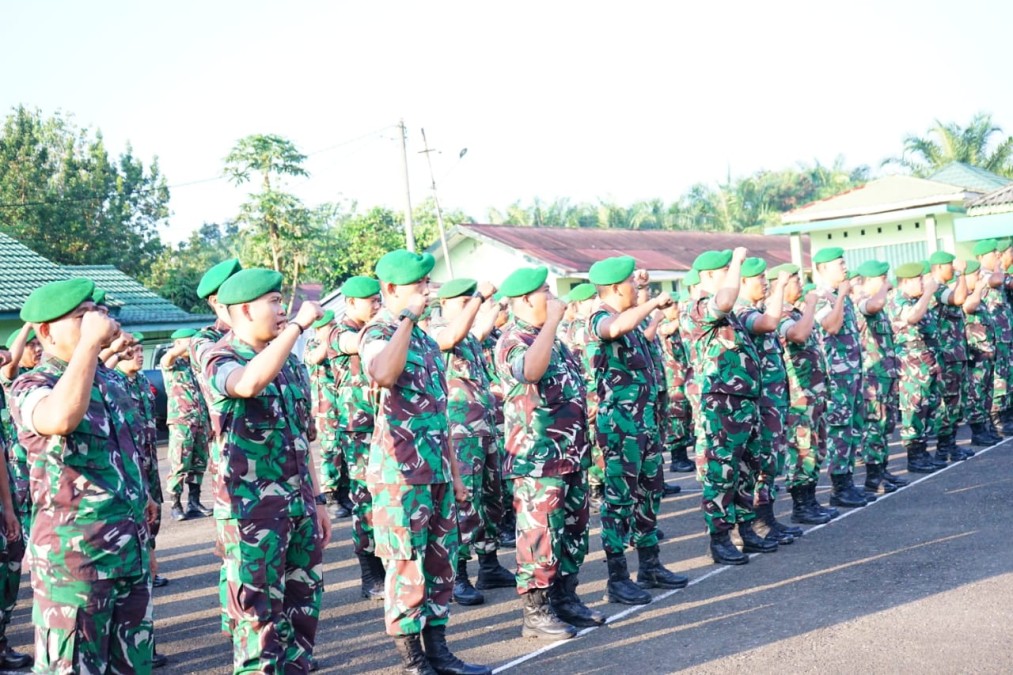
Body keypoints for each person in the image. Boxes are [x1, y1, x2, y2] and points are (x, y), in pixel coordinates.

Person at [11, 277, 157, 673]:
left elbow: (126, 454)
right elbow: (59, 418)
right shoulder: (32, 384)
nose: (95, 321)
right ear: (46, 332)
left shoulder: (111, 381)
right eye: (81, 317)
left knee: (134, 665)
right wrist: (91, 344)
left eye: (97, 313)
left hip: (128, 555)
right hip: (75, 565)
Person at [360, 250, 490, 675]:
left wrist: (455, 477)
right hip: (400, 477)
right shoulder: (378, 331)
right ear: (392, 289)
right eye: (420, 285)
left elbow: (438, 413)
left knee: (439, 566)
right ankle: (414, 663)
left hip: (435, 469)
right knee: (406, 569)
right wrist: (407, 319)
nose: (428, 292)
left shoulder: (424, 340)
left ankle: (438, 652)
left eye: (428, 284)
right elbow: (382, 373)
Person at [200, 268, 329, 673]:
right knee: (258, 622)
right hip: (251, 516)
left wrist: (319, 499)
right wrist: (296, 327)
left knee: (302, 613)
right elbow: (246, 384)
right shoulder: (217, 354)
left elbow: (301, 437)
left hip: (298, 507)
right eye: (273, 302)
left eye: (281, 302)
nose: (282, 309)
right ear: (242, 310)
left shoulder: (290, 365)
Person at [494, 267, 604, 641]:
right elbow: (529, 372)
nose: (553, 299)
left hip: (570, 453)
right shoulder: (514, 339)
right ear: (526, 299)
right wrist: (554, 322)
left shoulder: (552, 338)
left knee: (572, 532)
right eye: (545, 292)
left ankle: (565, 597)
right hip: (537, 460)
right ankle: (536, 613)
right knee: (540, 536)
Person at [586, 255, 688, 603]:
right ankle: (617, 578)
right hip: (618, 428)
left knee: (649, 493)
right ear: (615, 288)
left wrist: (650, 303)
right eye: (630, 283)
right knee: (618, 500)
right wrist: (653, 303)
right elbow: (615, 329)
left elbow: (636, 329)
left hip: (643, 424)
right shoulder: (598, 317)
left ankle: (650, 564)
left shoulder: (629, 318)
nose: (635, 287)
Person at [430, 278, 514, 607]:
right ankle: (459, 573)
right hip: (460, 436)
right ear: (446, 305)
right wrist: (480, 299)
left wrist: (495, 302)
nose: (471, 307)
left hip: (485, 430)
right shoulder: (438, 332)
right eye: (463, 302)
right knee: (463, 505)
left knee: (493, 501)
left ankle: (489, 564)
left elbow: (477, 330)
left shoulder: (470, 340)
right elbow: (454, 334)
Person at [684, 248, 764, 565]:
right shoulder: (700, 306)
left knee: (745, 468)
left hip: (743, 401)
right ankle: (719, 538)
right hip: (722, 402)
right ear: (709, 277)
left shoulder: (728, 314)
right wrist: (737, 262)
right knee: (721, 472)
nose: (734, 276)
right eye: (726, 271)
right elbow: (727, 299)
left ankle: (745, 528)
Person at [320, 276, 384, 600]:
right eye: (370, 301)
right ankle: (370, 575)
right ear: (350, 304)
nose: (377, 306)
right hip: (358, 430)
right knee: (366, 502)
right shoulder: (337, 332)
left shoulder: (380, 328)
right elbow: (355, 343)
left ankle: (389, 568)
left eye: (379, 299)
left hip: (384, 425)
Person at [114, 334, 169, 669]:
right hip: (127, 480)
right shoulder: (113, 384)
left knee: (151, 540)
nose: (136, 355)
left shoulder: (141, 386)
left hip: (146, 473)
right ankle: (138, 646)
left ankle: (141, 644)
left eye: (138, 351)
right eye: (130, 351)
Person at [768, 264, 835, 525]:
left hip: (813, 393)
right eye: (795, 280)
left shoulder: (795, 311)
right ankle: (801, 504)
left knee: (816, 446)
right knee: (802, 448)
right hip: (797, 396)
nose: (800, 284)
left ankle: (810, 500)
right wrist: (810, 306)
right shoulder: (782, 314)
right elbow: (798, 334)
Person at [811, 248, 867, 508]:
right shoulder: (821, 297)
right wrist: (842, 296)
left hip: (851, 373)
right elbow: (831, 327)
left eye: (844, 263)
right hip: (835, 376)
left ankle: (848, 481)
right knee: (839, 429)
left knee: (853, 427)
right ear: (823, 269)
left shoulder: (836, 295)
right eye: (839, 264)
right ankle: (839, 486)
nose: (845, 268)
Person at [853, 260, 908, 495]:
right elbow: (872, 307)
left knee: (885, 426)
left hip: (885, 376)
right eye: (882, 278)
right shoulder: (862, 300)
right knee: (874, 427)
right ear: (871, 281)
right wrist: (884, 289)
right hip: (872, 379)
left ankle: (882, 470)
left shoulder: (879, 303)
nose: (887, 281)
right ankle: (873, 479)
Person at [886, 262, 942, 474]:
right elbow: (912, 318)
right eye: (919, 279)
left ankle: (923, 450)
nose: (923, 282)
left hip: (925, 359)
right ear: (906, 281)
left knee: (927, 406)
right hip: (909, 361)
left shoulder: (915, 300)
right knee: (914, 407)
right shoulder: (897, 300)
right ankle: (914, 456)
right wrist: (928, 293)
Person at [304, 310, 354, 519]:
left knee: (345, 451)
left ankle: (344, 494)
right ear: (318, 329)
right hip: (326, 409)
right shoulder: (313, 345)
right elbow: (315, 358)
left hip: (344, 407)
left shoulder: (338, 344)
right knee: (330, 452)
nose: (335, 328)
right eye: (329, 325)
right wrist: (329, 338)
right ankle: (330, 496)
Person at [160, 328, 213, 520]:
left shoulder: (195, 366)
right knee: (180, 463)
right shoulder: (172, 365)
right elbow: (167, 359)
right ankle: (175, 504)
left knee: (199, 463)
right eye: (188, 343)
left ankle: (194, 503)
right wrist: (181, 347)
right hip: (182, 421)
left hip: (200, 419)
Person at [927, 251, 971, 462]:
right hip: (945, 355)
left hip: (954, 354)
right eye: (950, 266)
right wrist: (962, 274)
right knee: (948, 402)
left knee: (955, 402)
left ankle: (950, 445)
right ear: (939, 267)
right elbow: (960, 298)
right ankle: (943, 448)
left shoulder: (942, 288)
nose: (953, 269)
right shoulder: (936, 289)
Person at [962, 260, 1001, 446]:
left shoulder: (979, 298)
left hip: (986, 355)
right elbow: (968, 307)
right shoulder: (967, 296)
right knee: (975, 394)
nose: (979, 278)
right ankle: (977, 431)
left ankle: (985, 428)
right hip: (975, 356)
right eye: (975, 275)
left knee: (986, 393)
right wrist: (978, 288)